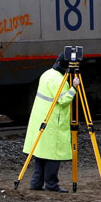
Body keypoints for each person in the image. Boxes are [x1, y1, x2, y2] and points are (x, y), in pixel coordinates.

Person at [22, 52, 79, 192]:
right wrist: (74, 88)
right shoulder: (59, 80)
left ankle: (36, 184)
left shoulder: (47, 74)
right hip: (53, 121)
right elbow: (63, 100)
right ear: (67, 67)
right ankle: (51, 185)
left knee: (41, 152)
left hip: (41, 119)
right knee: (53, 154)